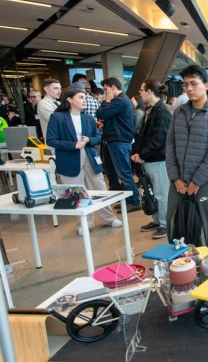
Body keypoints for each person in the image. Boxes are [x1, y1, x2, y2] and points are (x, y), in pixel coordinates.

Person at [165, 65, 208, 249]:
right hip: (178, 182)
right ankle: (177, 267)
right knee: (174, 223)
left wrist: (196, 181)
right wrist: (175, 178)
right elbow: (170, 145)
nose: (189, 89)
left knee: (201, 227)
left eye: (194, 83)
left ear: (206, 85)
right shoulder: (179, 113)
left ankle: (202, 267)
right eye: (186, 85)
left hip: (204, 183)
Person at [46, 88, 122, 236]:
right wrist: (72, 145)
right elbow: (51, 140)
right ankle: (84, 223)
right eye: (80, 97)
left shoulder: (87, 118)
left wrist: (88, 140)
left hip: (89, 155)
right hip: (69, 158)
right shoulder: (57, 117)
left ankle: (108, 218)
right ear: (69, 99)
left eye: (84, 98)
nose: (84, 100)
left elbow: (97, 137)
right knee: (76, 192)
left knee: (99, 187)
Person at [131, 79, 172, 240]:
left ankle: (165, 224)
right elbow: (145, 136)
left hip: (158, 160)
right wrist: (139, 154)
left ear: (149, 91)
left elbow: (159, 139)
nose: (140, 94)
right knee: (152, 193)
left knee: (161, 194)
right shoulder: (152, 109)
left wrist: (142, 155)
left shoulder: (162, 111)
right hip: (150, 159)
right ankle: (156, 220)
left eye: (142, 90)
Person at [97, 77, 141, 212]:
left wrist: (107, 100)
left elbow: (101, 113)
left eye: (106, 90)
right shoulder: (122, 101)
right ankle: (129, 199)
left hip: (119, 142)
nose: (105, 93)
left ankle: (134, 201)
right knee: (122, 173)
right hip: (118, 141)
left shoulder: (120, 101)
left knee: (124, 174)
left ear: (113, 88)